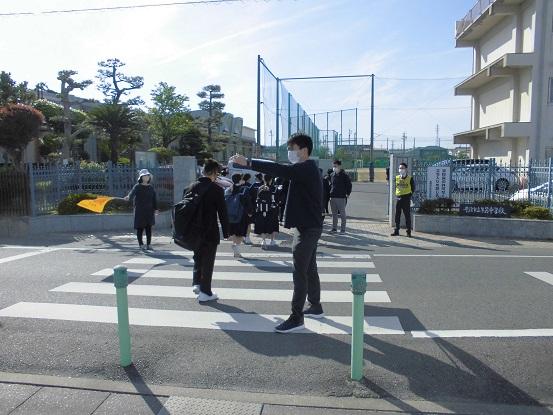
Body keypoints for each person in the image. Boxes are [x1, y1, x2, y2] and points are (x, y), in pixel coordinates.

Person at [230, 132, 324, 334]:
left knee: (300, 271)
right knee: (309, 268)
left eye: (292, 149)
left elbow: (280, 169)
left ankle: (296, 317)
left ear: (304, 150)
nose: (290, 152)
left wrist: (249, 163)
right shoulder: (308, 168)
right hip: (309, 226)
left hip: (308, 229)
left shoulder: (305, 168)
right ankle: (315, 305)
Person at [188, 159, 229, 302]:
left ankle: (197, 283)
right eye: (217, 174)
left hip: (193, 231)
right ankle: (205, 292)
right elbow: (223, 213)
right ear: (214, 172)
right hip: (210, 231)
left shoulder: (191, 187)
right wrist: (226, 232)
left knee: (198, 257)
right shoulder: (216, 190)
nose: (217, 176)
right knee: (208, 262)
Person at [124, 169, 159, 251]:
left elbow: (154, 199)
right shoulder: (137, 186)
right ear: (141, 177)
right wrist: (128, 197)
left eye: (148, 176)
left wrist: (156, 209)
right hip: (139, 211)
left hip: (149, 211)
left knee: (149, 228)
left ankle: (149, 244)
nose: (146, 177)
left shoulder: (151, 188)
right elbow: (131, 193)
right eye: (144, 176)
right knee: (140, 228)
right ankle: (141, 244)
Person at [225, 173, 251, 258]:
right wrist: (250, 212)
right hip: (241, 214)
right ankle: (236, 248)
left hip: (230, 215)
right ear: (240, 180)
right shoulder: (244, 189)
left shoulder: (228, 190)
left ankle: (235, 247)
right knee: (240, 234)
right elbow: (248, 202)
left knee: (233, 232)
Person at [254, 174, 279, 248]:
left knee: (262, 224)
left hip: (261, 209)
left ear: (264, 179)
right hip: (272, 209)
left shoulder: (260, 188)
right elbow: (278, 199)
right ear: (271, 180)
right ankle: (272, 240)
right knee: (273, 224)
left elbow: (257, 198)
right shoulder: (274, 188)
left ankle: (263, 241)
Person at [391, 162, 415, 237]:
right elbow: (396, 187)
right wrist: (397, 194)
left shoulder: (410, 178)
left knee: (407, 215)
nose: (400, 169)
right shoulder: (397, 177)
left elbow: (413, 188)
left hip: (406, 198)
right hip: (398, 198)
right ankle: (396, 230)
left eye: (402, 168)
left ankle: (408, 232)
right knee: (397, 215)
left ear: (406, 169)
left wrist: (409, 195)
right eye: (399, 168)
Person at [329, 160, 352, 234]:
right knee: (334, 214)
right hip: (333, 197)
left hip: (341, 197)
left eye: (335, 166)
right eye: (333, 166)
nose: (334, 167)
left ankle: (343, 230)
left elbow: (349, 185)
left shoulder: (344, 175)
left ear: (339, 166)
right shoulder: (332, 175)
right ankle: (334, 228)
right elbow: (331, 185)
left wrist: (348, 193)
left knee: (342, 214)